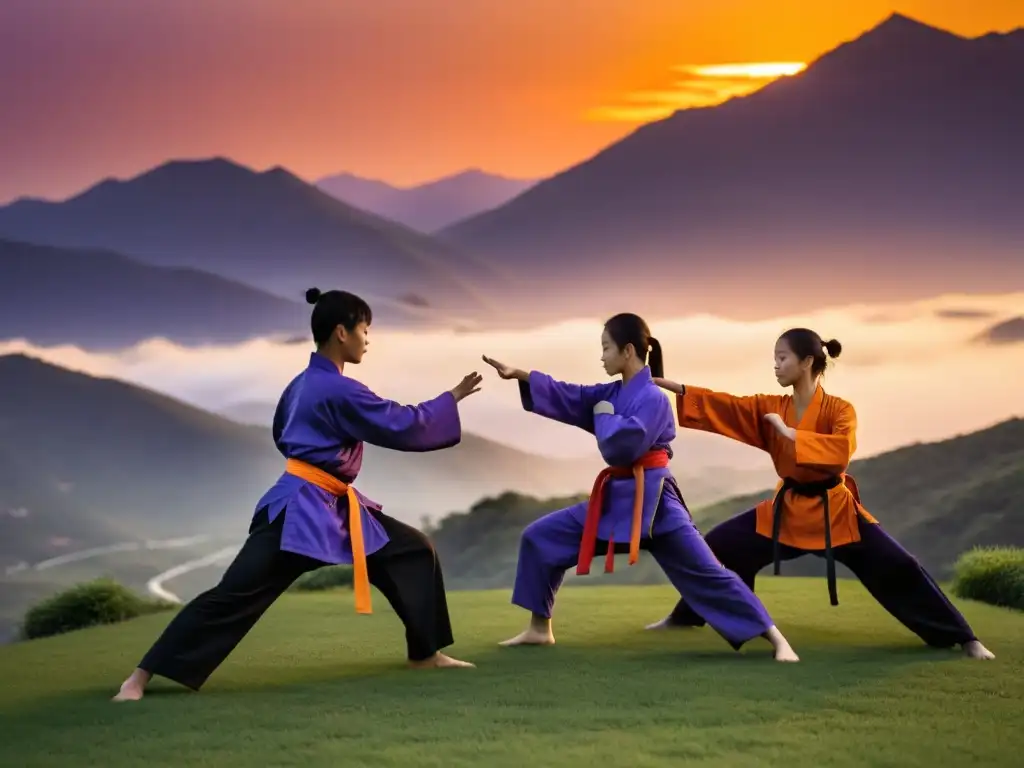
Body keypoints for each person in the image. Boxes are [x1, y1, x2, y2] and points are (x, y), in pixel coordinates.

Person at [113, 288, 481, 701]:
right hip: (300, 511)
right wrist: (450, 399)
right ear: (342, 332)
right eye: (364, 330)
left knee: (411, 550)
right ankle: (140, 677)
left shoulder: (302, 383)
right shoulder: (340, 390)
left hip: (329, 503)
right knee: (236, 592)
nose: (367, 339)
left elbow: (281, 433)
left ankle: (424, 653)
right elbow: (401, 423)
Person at [644, 328, 995, 661]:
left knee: (899, 566)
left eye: (783, 358)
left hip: (836, 511)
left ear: (807, 362)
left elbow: (841, 450)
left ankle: (965, 638)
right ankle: (687, 616)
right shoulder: (771, 406)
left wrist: (791, 434)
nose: (776, 365)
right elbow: (728, 406)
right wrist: (672, 386)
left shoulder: (840, 410)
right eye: (775, 358)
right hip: (788, 510)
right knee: (720, 545)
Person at [482, 313, 799, 661]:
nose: (601, 357)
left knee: (708, 573)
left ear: (628, 350)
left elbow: (620, 446)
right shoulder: (612, 393)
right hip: (615, 500)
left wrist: (602, 414)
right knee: (540, 537)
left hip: (656, 503)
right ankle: (539, 629)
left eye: (606, 348)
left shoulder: (653, 399)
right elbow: (570, 394)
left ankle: (776, 638)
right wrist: (521, 375)